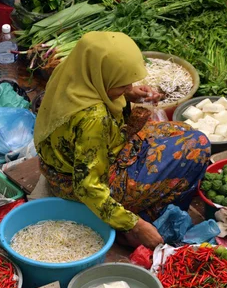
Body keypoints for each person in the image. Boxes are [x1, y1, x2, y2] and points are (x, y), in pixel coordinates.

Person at [34, 31, 211, 250]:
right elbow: (87, 187)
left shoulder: (73, 72)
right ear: (100, 78)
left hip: (70, 159)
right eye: (121, 85)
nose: (127, 89)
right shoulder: (93, 119)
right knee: (197, 148)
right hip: (79, 185)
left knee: (186, 135)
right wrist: (135, 225)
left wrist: (129, 94)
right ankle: (143, 220)